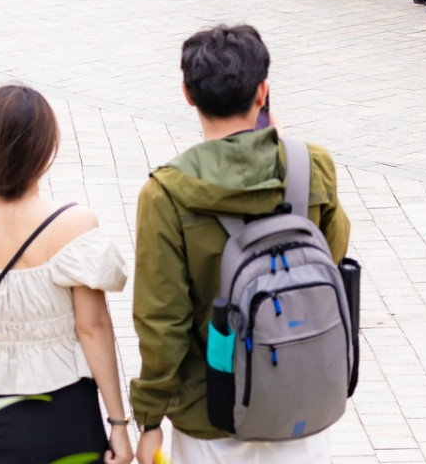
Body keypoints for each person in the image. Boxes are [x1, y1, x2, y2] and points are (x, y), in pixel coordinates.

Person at [131, 25, 349, 464]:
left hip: (209, 413)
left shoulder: (166, 193)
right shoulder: (311, 165)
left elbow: (162, 322)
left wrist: (149, 419)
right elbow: (334, 253)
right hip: (301, 404)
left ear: (188, 95)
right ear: (263, 91)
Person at [0, 85, 132, 464]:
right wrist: (119, 424)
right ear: (44, 150)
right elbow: (93, 328)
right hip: (69, 419)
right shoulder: (75, 224)